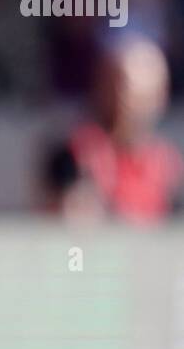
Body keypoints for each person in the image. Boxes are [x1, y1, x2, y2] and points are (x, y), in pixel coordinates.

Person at [41, 37, 182, 223]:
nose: (123, 100)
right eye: (115, 86)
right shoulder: (78, 153)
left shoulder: (168, 166)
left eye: (134, 91)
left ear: (161, 96)